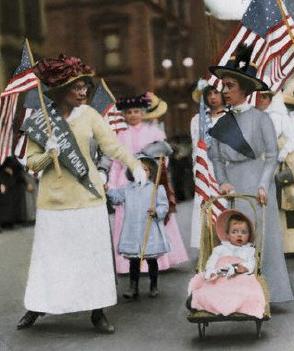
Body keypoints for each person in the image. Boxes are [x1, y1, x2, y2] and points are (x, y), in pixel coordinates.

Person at [17, 54, 146, 333]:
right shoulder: (41, 120)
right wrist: (48, 153)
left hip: (88, 199)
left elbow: (112, 146)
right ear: (62, 91)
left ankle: (97, 311)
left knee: (92, 258)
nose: (84, 91)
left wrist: (134, 164)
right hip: (53, 201)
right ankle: (38, 305)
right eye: (77, 88)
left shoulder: (89, 115)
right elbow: (30, 162)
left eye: (84, 86)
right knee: (50, 258)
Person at [208, 44, 293, 303]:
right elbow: (217, 158)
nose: (225, 91)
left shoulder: (261, 119)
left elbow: (270, 155)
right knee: (237, 239)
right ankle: (241, 296)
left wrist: (264, 184)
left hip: (258, 184)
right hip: (235, 187)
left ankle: (268, 293)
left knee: (263, 238)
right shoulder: (221, 124)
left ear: (244, 90)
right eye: (223, 86)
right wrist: (223, 182)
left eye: (230, 86)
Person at [108, 93, 188, 273]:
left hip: (149, 179)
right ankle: (129, 262)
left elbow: (163, 159)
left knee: (151, 217)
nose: (133, 115)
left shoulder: (154, 132)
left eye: (137, 111)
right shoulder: (120, 135)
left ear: (143, 113)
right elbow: (115, 164)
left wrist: (155, 173)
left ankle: (157, 260)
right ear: (124, 115)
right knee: (127, 220)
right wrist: (112, 184)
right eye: (129, 112)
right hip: (126, 182)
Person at [107, 156, 170, 299]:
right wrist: (107, 191)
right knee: (134, 261)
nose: (142, 172)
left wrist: (156, 212)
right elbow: (116, 197)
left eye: (145, 170)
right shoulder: (128, 189)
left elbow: (163, 206)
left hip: (149, 229)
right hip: (133, 231)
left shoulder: (156, 189)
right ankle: (133, 287)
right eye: (138, 170)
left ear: (151, 172)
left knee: (151, 259)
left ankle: (153, 285)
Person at [187, 210, 265, 318]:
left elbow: (252, 263)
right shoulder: (220, 249)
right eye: (234, 232)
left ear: (249, 235)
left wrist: (245, 268)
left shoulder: (249, 250)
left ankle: (232, 304)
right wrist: (211, 271)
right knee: (211, 289)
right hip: (220, 277)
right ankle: (198, 300)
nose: (239, 235)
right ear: (227, 235)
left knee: (246, 292)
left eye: (243, 232)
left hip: (239, 278)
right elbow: (211, 262)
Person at [190, 82, 226, 249]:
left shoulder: (230, 116)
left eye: (216, 93)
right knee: (207, 205)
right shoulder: (198, 120)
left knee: (225, 203)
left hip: (226, 167)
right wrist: (197, 170)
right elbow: (195, 146)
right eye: (209, 94)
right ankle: (210, 247)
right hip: (206, 166)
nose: (212, 97)